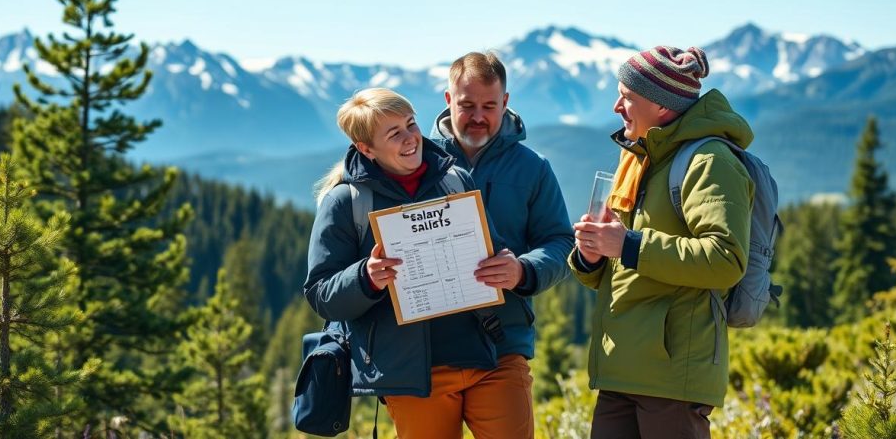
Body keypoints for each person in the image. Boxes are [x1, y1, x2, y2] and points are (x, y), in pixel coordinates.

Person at [304, 87, 531, 439]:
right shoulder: (345, 203)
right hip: (411, 375)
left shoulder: (455, 179)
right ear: (366, 149)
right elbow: (321, 294)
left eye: (411, 124)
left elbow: (491, 246)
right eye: (394, 134)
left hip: (489, 355)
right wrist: (365, 277)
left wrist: (503, 263)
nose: (411, 138)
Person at [570, 46, 754, 439]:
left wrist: (629, 245)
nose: (617, 106)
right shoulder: (636, 157)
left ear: (661, 106)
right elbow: (621, 263)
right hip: (619, 369)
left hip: (672, 376)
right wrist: (591, 257)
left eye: (628, 97)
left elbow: (725, 259)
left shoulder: (710, 160)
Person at [432, 51, 575, 431]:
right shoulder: (416, 163)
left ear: (506, 103)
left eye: (489, 106)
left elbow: (560, 241)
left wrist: (523, 270)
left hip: (503, 343)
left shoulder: (533, 168)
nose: (478, 116)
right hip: (427, 349)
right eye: (467, 105)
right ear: (448, 101)